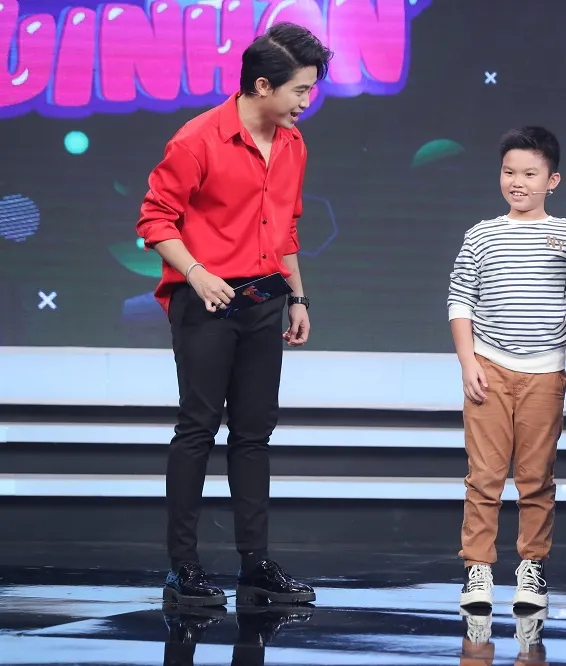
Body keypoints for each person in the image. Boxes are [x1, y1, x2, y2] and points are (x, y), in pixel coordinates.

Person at [136, 22, 332, 607]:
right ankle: (183, 568)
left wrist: (297, 298)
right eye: (300, 90)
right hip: (205, 300)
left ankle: (255, 565)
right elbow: (155, 220)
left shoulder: (293, 144)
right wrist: (197, 273)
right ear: (262, 85)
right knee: (197, 428)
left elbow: (286, 229)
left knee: (253, 433)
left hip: (264, 299)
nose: (307, 101)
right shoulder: (197, 140)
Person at [447, 126, 566, 609]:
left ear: (552, 180)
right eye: (509, 172)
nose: (518, 182)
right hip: (489, 367)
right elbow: (460, 299)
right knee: (484, 476)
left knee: (536, 478)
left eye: (530, 174)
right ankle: (478, 570)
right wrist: (468, 362)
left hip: (546, 372)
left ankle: (532, 569)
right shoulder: (482, 234)